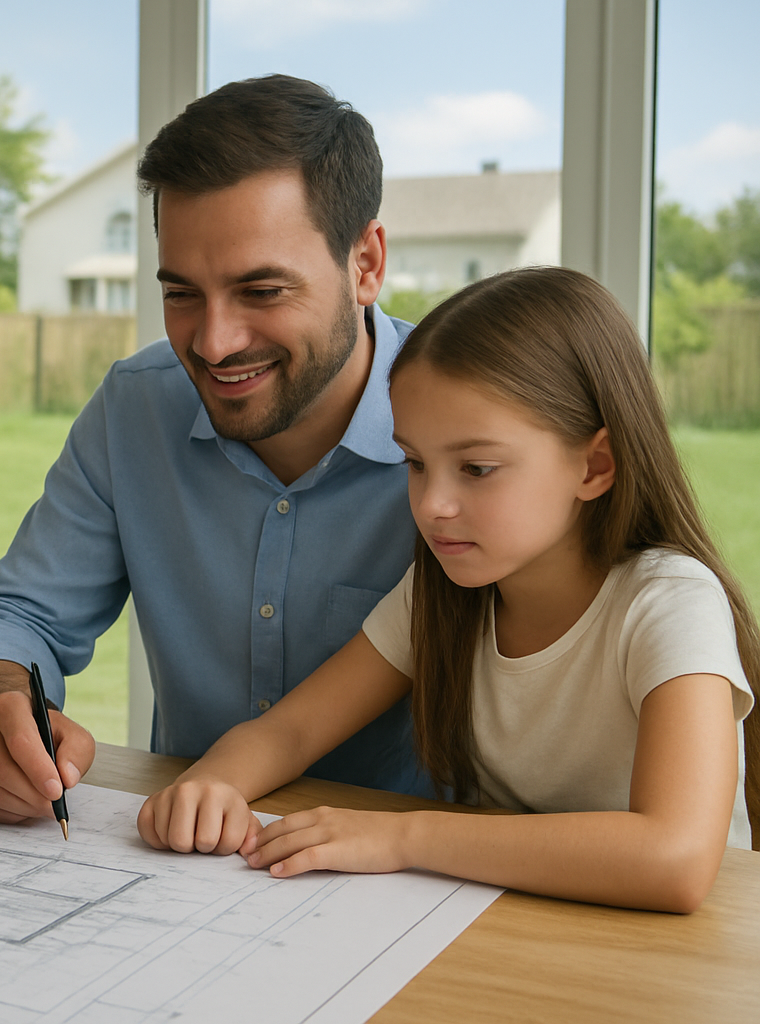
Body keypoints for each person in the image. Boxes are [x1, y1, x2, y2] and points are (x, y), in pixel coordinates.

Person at [140, 266, 759, 913]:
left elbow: (675, 859)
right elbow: (291, 732)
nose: (432, 504)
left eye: (477, 468)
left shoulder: (670, 604)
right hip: (521, 922)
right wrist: (212, 784)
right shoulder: (442, 592)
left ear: (594, 465)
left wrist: (404, 836)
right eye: (415, 462)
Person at [0, 75, 424, 824]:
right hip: (185, 856)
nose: (214, 343)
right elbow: (17, 617)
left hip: (415, 870)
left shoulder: (477, 436)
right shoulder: (135, 408)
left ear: (366, 264)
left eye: (262, 291)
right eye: (181, 293)